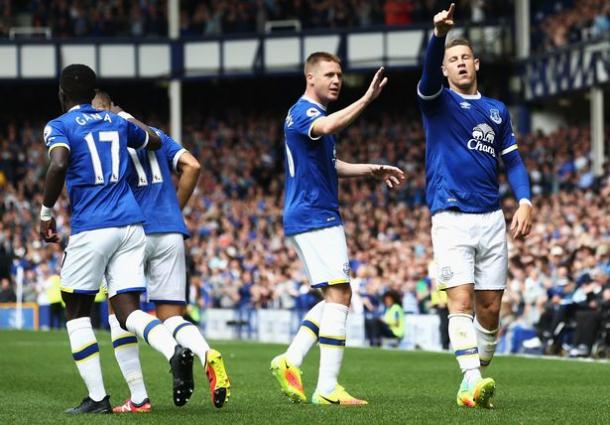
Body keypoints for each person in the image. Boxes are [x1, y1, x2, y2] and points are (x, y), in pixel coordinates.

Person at [39, 64, 194, 414]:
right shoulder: (117, 121)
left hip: (93, 226)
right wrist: (122, 116)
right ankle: (173, 350)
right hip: (131, 225)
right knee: (126, 311)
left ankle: (97, 398)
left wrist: (46, 212)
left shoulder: (59, 125)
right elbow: (154, 140)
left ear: (62, 94)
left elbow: (59, 163)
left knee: (77, 310)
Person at [270, 51, 405, 405]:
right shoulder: (305, 113)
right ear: (310, 78)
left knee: (334, 297)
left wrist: (370, 170)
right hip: (315, 215)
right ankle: (327, 388)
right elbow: (329, 127)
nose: (336, 80)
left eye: (339, 75)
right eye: (329, 74)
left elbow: (331, 164)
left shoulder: (312, 118)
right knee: (341, 294)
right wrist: (367, 98)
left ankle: (290, 360)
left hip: (311, 215)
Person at [417, 4, 532, 409]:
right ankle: (470, 382)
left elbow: (514, 161)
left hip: (490, 219)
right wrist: (437, 39)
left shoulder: (497, 111)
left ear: (476, 64)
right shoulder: (437, 102)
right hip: (450, 217)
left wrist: (525, 200)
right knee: (460, 300)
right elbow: (428, 75)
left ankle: (477, 369)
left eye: (465, 57)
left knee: (490, 309)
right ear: (446, 69)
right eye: (453, 59)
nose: (460, 63)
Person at [92, 91, 231, 413]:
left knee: (119, 314)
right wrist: (173, 210)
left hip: (133, 231)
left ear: (106, 109)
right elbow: (193, 166)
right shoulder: (156, 134)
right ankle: (207, 353)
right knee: (171, 315)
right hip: (170, 230)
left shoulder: (105, 141)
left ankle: (139, 397)